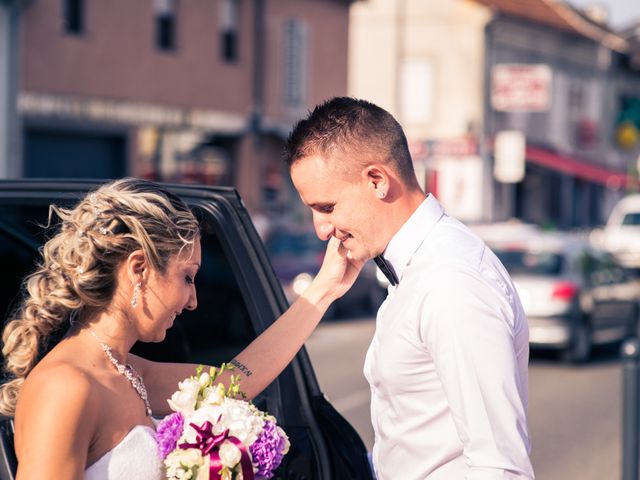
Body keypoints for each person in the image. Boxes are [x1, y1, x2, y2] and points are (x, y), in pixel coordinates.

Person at [0, 178, 363, 478]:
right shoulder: (66, 386)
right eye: (187, 277)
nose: (193, 301)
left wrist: (326, 288)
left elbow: (237, 383)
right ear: (139, 269)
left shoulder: (128, 372)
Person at [284, 97, 535, 479]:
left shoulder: (451, 282)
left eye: (327, 207)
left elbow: (499, 466)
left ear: (377, 181)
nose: (321, 229)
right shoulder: (419, 268)